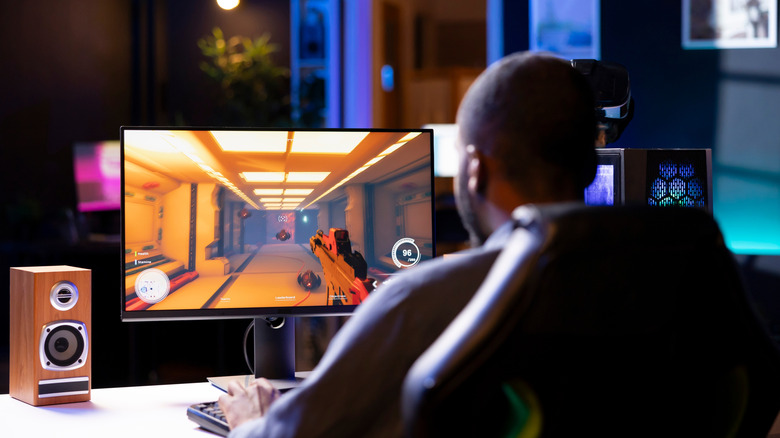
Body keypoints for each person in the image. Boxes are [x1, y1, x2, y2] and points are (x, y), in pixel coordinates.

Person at [219, 51, 598, 437]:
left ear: (476, 169)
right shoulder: (644, 278)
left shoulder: (418, 302)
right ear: (590, 166)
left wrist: (253, 422)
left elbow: (294, 433)